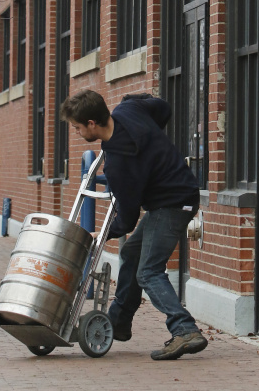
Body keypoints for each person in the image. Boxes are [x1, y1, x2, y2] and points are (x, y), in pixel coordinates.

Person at [60, 89, 207, 362]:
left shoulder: (120, 164)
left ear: (92, 124)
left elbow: (126, 218)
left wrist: (102, 233)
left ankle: (185, 329)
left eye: (78, 127)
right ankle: (119, 322)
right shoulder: (128, 111)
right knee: (131, 253)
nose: (77, 132)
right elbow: (162, 107)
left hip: (174, 203)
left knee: (148, 272)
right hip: (173, 196)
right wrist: (135, 103)